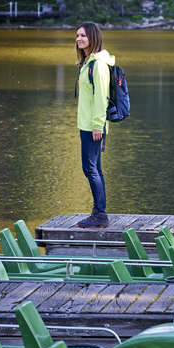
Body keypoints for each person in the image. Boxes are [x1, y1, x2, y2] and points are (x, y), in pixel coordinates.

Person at [73, 22, 114, 228]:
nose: (79, 39)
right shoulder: (89, 62)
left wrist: (98, 125)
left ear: (93, 38)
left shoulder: (98, 65)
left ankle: (100, 214)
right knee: (94, 168)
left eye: (83, 36)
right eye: (77, 35)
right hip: (88, 124)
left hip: (93, 126)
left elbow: (101, 98)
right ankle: (98, 211)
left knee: (90, 169)